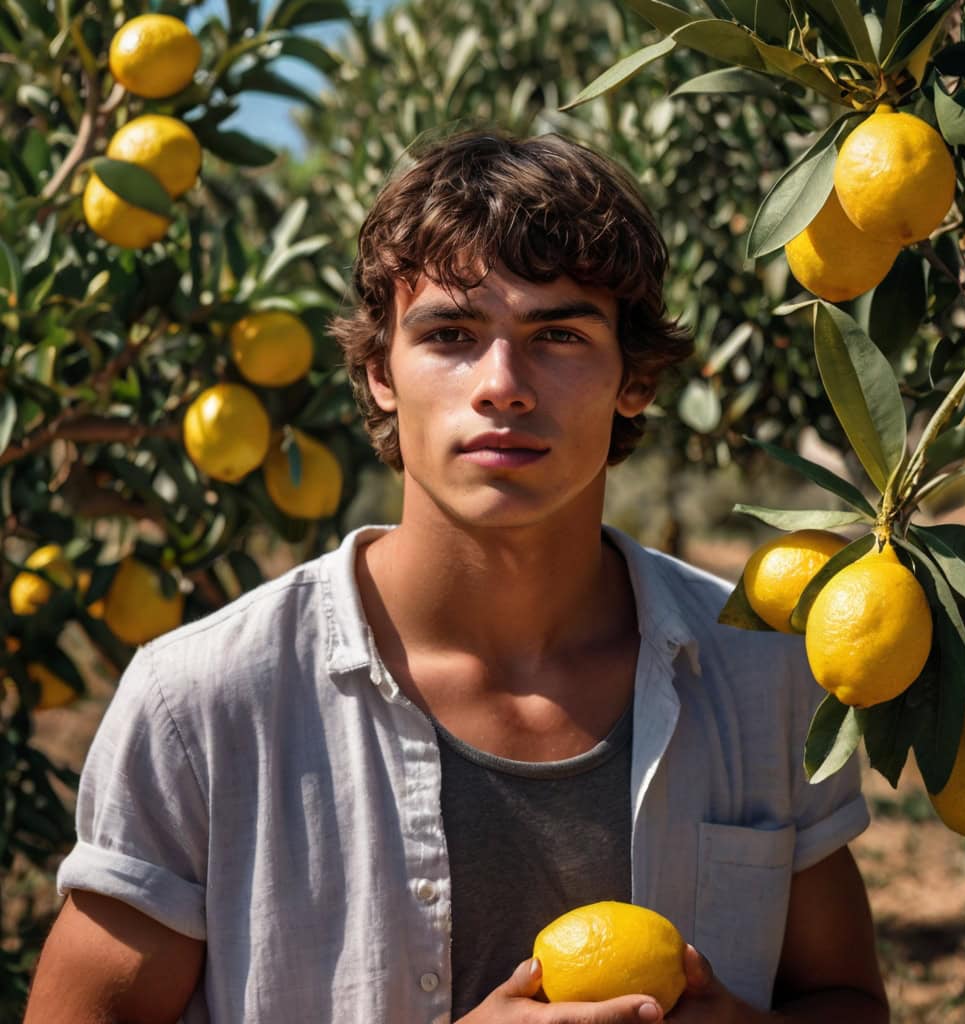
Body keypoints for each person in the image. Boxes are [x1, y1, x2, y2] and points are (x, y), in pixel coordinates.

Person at [24, 130, 888, 1024]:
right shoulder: (204, 703)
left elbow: (844, 999)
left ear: (635, 379)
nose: (503, 384)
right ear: (379, 372)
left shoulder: (759, 672)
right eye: (450, 334)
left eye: (558, 333)